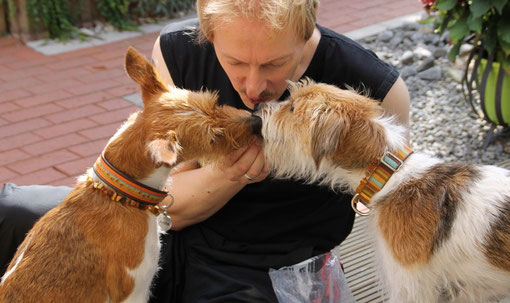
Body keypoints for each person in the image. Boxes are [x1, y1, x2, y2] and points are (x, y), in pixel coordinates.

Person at [0, 0, 410, 301]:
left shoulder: (375, 88)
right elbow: (169, 203)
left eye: (273, 65)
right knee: (10, 210)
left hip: (265, 263)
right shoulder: (178, 50)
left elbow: (397, 205)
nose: (252, 89)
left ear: (307, 32)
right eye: (233, 62)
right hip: (168, 224)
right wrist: (233, 172)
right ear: (208, 33)